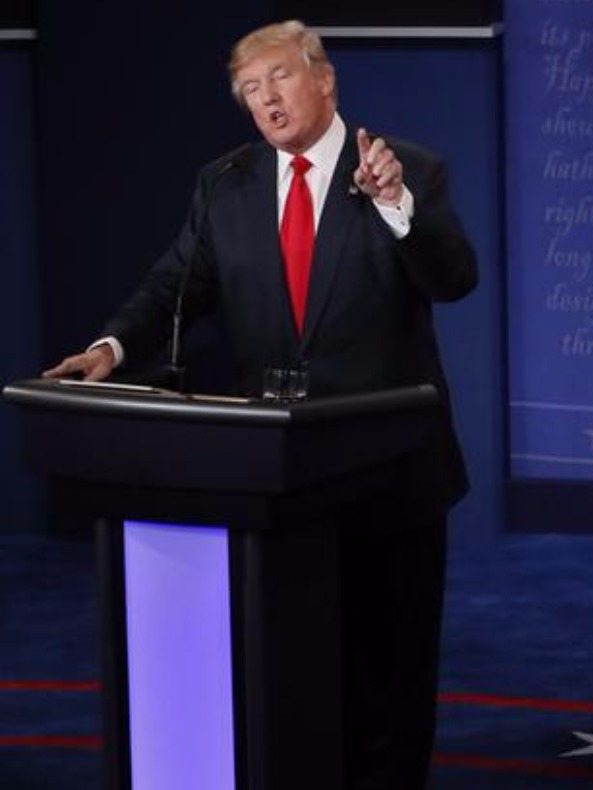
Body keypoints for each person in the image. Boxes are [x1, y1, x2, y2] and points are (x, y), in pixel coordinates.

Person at [43, 20, 477, 790]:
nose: (266, 98)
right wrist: (111, 349)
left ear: (324, 79)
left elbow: (454, 279)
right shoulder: (227, 185)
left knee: (390, 682)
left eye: (279, 77)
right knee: (296, 680)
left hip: (391, 478)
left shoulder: (404, 169)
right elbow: (173, 287)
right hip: (280, 485)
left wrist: (396, 204)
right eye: (250, 89)